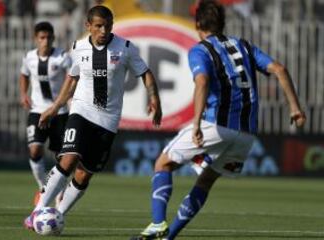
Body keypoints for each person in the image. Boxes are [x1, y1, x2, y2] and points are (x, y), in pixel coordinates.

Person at [130, 1, 306, 240]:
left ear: (198, 23)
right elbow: (280, 69)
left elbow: (201, 82)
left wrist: (196, 124)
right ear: (222, 23)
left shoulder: (200, 49)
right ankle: (168, 237)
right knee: (206, 180)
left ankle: (158, 223)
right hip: (246, 135)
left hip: (215, 125)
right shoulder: (243, 45)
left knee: (163, 164)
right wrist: (295, 108)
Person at [23, 5, 162, 229]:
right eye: (98, 26)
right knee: (68, 158)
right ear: (88, 26)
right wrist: (55, 107)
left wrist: (155, 99)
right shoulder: (78, 47)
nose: (103, 30)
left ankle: (57, 215)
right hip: (82, 111)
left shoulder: (125, 48)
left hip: (108, 120)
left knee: (84, 175)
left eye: (107, 26)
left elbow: (145, 73)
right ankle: (37, 212)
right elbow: (72, 79)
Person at [19, 21, 72, 205]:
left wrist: (68, 98)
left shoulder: (62, 57)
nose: (46, 41)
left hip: (60, 112)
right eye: (42, 38)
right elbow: (24, 75)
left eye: (49, 37)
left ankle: (58, 190)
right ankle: (43, 187)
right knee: (35, 149)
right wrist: (23, 93)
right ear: (36, 39)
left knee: (62, 157)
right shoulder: (29, 57)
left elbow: (72, 78)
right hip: (38, 111)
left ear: (53, 38)